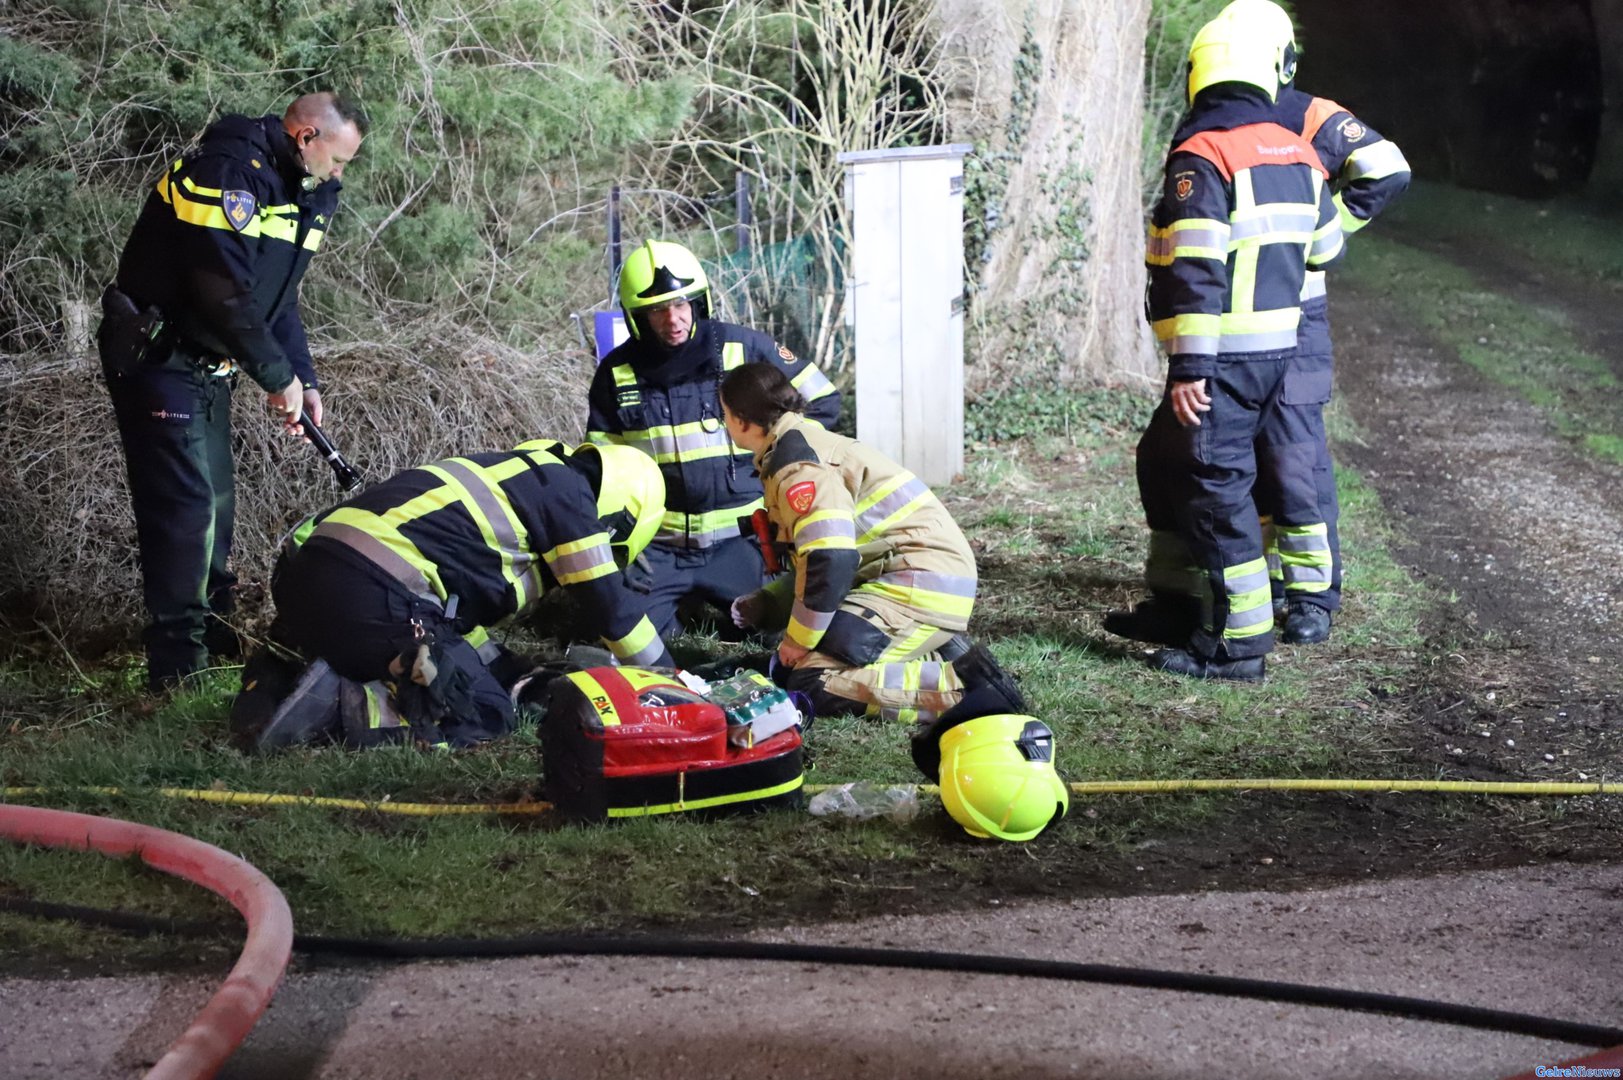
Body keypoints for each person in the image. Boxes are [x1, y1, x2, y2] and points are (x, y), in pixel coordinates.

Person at [1108, 0, 1410, 652]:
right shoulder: (1215, 123)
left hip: (1281, 323)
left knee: (1289, 459)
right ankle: (1179, 595)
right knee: (1168, 456)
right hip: (1216, 332)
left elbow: (1385, 171)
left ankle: (1306, 598)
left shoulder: (1306, 115)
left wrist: (1293, 244)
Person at [97, 91, 367, 692]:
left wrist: (304, 379)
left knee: (217, 505)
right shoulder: (228, 172)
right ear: (305, 138)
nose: (341, 173)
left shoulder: (307, 190)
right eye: (338, 159)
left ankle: (217, 648)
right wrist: (277, 378)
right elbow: (222, 291)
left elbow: (278, 299)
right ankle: (175, 674)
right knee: (185, 513)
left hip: (210, 362)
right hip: (158, 354)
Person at [238, 441, 672, 749]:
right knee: (484, 714)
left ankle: (273, 683)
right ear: (620, 519)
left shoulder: (516, 477)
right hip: (371, 590)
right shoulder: (569, 498)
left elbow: (455, 620)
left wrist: (519, 674)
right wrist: (674, 684)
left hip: (311, 575)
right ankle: (347, 701)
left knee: (464, 670)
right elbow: (615, 614)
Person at [720, 363, 1024, 728]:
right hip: (923, 578)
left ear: (741, 421)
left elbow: (829, 559)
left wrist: (798, 642)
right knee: (816, 652)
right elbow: (818, 560)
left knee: (813, 679)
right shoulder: (802, 446)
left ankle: (966, 690)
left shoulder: (798, 465)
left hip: (919, 582)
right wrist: (769, 603)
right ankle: (943, 654)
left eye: (724, 415)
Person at [586, 239, 842, 639]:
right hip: (660, 549)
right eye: (657, 310)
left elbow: (824, 401)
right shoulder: (616, 374)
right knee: (627, 637)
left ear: (699, 302)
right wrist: (620, 545)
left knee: (776, 632)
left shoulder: (746, 348)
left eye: (681, 304)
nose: (672, 319)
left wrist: (780, 468)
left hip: (743, 541)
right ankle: (680, 608)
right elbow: (602, 470)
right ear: (637, 317)